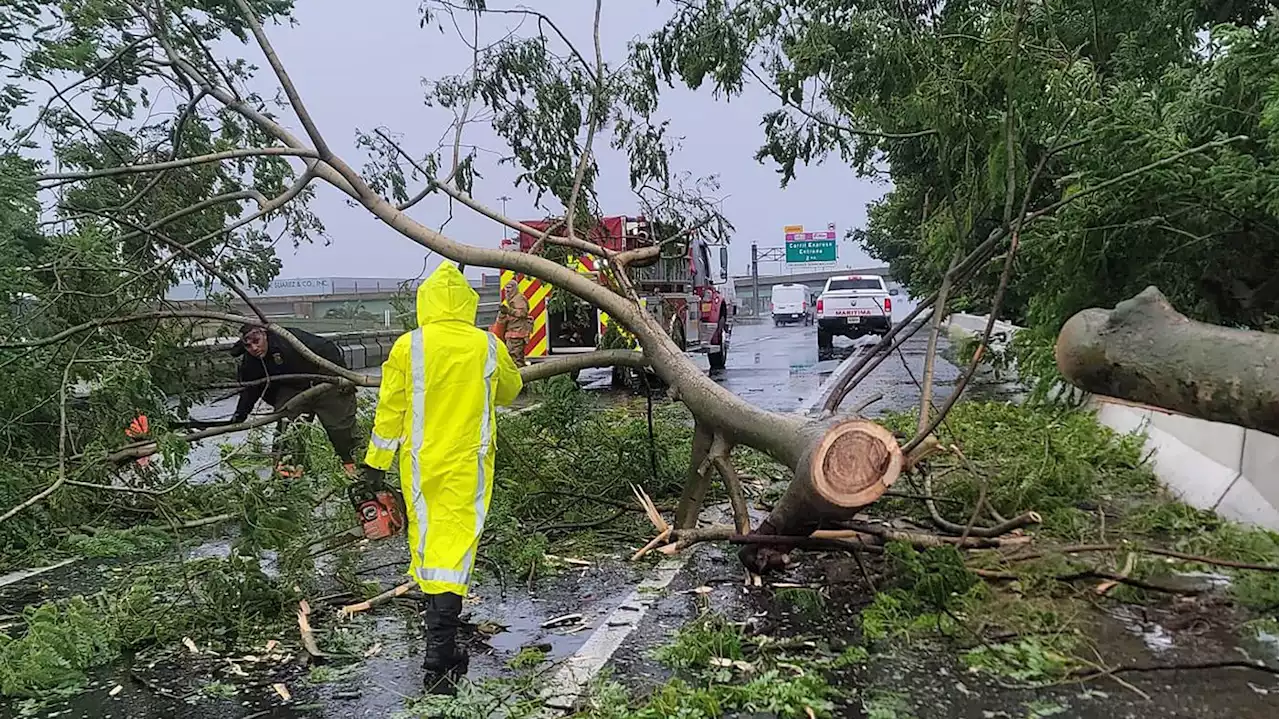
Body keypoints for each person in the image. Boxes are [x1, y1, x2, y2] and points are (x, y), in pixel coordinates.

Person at [358, 261, 523, 694]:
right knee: (456, 546)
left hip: (420, 464)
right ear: (467, 303)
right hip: (469, 462)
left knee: (430, 544)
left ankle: (440, 643)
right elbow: (510, 391)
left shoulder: (408, 346)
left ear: (425, 303)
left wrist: (374, 464)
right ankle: (441, 647)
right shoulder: (485, 346)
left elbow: (390, 410)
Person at [230, 324, 359, 477]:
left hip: (323, 379)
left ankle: (353, 466)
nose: (254, 348)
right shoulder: (250, 361)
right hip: (291, 389)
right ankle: (289, 474)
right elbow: (251, 391)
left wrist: (341, 377)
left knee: (340, 427)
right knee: (288, 430)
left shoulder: (288, 338)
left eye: (257, 341)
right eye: (249, 346)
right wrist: (240, 416)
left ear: (264, 334)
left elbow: (327, 348)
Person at [497, 279, 531, 365]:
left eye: (509, 288)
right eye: (506, 288)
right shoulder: (512, 299)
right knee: (515, 358)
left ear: (515, 288)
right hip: (513, 333)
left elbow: (522, 313)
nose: (507, 291)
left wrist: (508, 311)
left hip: (517, 333)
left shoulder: (518, 299)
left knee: (515, 359)